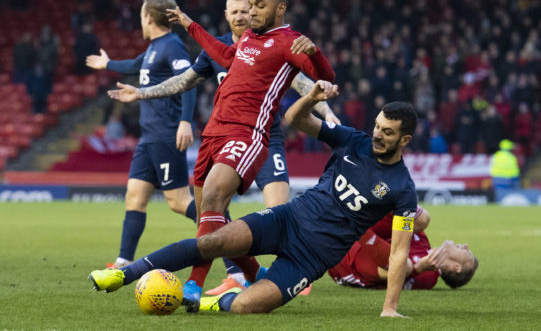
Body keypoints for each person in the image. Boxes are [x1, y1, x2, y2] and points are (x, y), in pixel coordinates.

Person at [89, 82, 419, 318]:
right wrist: (312, 97)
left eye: (387, 132)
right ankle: (123, 274)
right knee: (213, 242)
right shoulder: (353, 140)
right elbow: (297, 120)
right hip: (286, 220)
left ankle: (210, 303)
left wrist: (389, 308)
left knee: (249, 307)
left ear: (404, 139)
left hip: (312, 258)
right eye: (377, 126)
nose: (377, 134)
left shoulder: (402, 188)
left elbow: (400, 250)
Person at [107, 0, 335, 311]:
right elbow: (216, 60)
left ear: (279, 8)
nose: (250, 13)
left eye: (257, 6)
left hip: (254, 135)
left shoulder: (288, 42)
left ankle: (197, 285)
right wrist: (189, 26)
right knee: (210, 216)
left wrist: (316, 60)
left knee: (231, 201)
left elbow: (321, 79)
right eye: (244, 8)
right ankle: (257, 276)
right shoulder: (245, 42)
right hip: (215, 134)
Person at [85, 0, 197, 269]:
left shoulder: (173, 46)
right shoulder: (154, 48)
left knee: (178, 202)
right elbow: (135, 66)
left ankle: (231, 237)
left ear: (149, 17)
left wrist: (185, 120)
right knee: (134, 196)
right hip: (148, 137)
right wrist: (108, 64)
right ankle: (123, 262)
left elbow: (189, 81)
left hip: (166, 133)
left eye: (141, 17)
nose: (140, 22)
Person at [329, 207, 479, 290]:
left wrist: (417, 268)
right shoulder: (423, 242)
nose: (465, 246)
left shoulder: (429, 277)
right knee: (421, 220)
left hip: (349, 262)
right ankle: (378, 190)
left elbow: (384, 279)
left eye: (468, 253)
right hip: (358, 241)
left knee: (404, 266)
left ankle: (356, 223)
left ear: (457, 267)